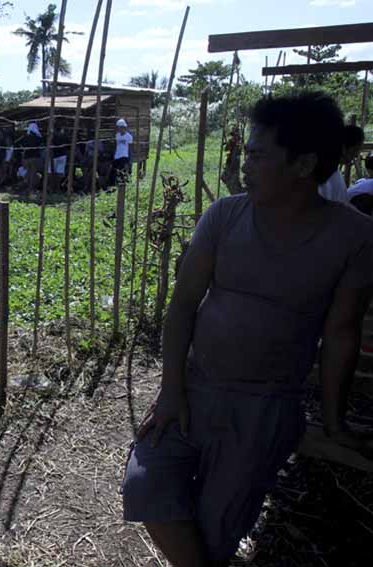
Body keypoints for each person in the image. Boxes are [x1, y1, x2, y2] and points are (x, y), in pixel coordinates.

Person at [121, 91, 373, 567]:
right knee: (145, 486)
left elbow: (341, 334)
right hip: (195, 389)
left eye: (258, 155)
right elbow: (182, 306)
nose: (245, 165)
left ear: (303, 165)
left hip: (265, 406)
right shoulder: (225, 216)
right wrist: (171, 390)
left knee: (218, 528)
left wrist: (335, 423)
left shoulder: (355, 238)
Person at [318, 124, 364, 202]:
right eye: (355, 150)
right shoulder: (325, 177)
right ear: (343, 147)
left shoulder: (334, 172)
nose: (356, 155)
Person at [18, 122, 44, 194]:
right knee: (33, 173)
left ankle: (27, 187)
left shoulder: (25, 137)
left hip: (26, 157)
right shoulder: (38, 137)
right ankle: (31, 188)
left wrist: (24, 149)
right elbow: (42, 146)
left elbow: (18, 143)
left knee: (29, 173)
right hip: (35, 157)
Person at [110, 118, 133, 186]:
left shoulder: (129, 136)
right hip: (117, 156)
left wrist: (129, 158)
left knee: (122, 171)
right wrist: (114, 155)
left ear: (123, 127)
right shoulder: (117, 135)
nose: (118, 129)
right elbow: (115, 146)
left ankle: (122, 186)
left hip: (124, 156)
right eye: (118, 127)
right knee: (115, 171)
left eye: (119, 127)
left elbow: (130, 148)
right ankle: (115, 185)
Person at [49, 125, 70, 191]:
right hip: (62, 156)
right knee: (59, 173)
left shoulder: (52, 137)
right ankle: (57, 188)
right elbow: (68, 147)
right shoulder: (64, 136)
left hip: (54, 156)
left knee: (51, 173)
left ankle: (52, 188)